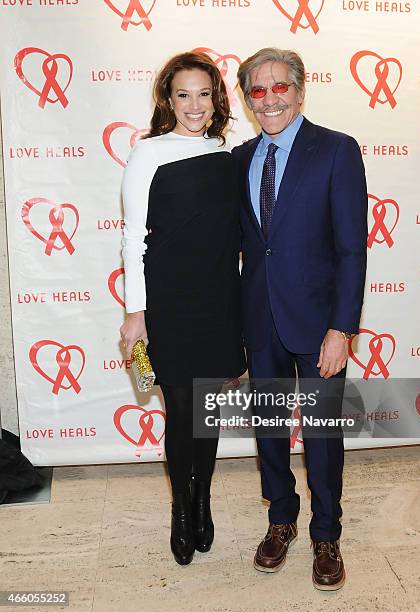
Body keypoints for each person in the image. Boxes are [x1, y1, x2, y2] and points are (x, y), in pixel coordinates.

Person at [232, 48, 368, 589]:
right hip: (259, 318)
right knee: (267, 427)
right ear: (247, 99)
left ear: (300, 90)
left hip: (318, 324)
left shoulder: (336, 150)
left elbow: (352, 249)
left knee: (322, 435)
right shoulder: (240, 157)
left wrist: (342, 329)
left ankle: (327, 531)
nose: (270, 99)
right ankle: (280, 519)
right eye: (257, 90)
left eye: (279, 87)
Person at [120, 52, 246, 566]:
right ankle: (180, 507)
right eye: (183, 94)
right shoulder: (147, 153)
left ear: (217, 97)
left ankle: (204, 503)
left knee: (208, 408)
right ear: (167, 100)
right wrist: (136, 312)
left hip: (220, 298)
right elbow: (133, 239)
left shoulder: (231, 150)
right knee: (180, 411)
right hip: (169, 301)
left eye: (203, 93)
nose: (194, 105)